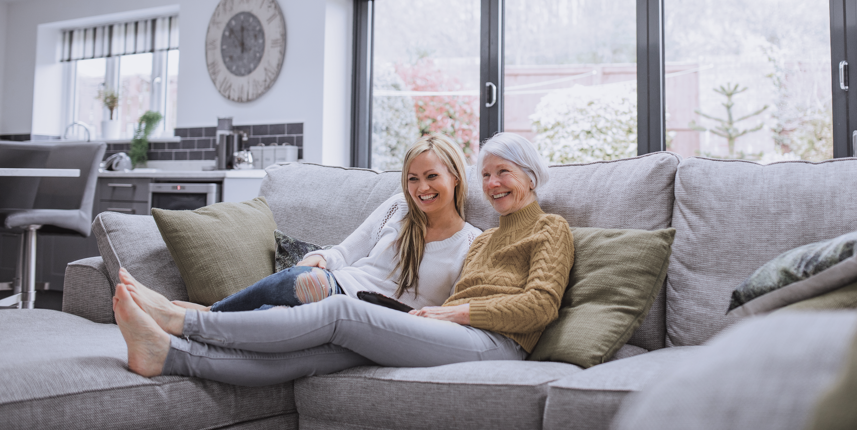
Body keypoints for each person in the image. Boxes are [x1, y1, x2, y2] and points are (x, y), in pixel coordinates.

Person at [114, 132, 574, 386]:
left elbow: (540, 306)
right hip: (451, 331)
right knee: (313, 356)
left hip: (496, 342)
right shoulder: (487, 239)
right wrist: (448, 314)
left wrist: (454, 312)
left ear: (531, 177)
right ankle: (169, 356)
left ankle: (185, 322)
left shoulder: (550, 228)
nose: (492, 184)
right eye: (487, 174)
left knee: (338, 310)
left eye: (503, 173)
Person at [168, 133, 480, 314]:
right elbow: (344, 252)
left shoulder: (471, 243)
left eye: (431, 176)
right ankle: (209, 315)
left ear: (455, 176)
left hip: (383, 317)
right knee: (299, 290)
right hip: (342, 288)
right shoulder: (398, 207)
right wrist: (320, 258)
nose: (422, 188)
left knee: (288, 309)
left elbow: (454, 306)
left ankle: (207, 315)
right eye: (413, 179)